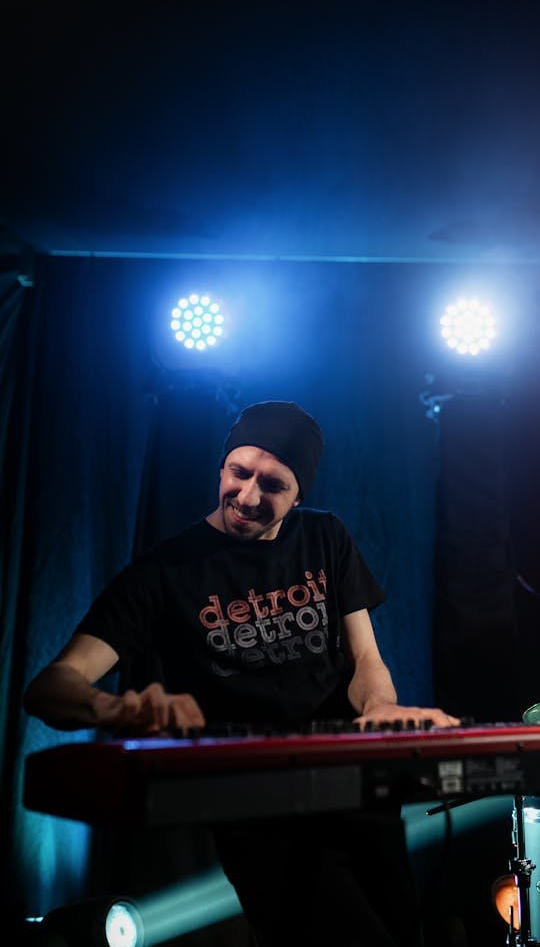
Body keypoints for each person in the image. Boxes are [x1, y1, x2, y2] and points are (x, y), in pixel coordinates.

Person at [24, 400, 459, 947]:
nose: (248, 496)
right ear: (221, 467)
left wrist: (379, 708)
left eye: (273, 484)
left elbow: (366, 660)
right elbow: (49, 688)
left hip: (357, 790)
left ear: (300, 495)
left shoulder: (326, 538)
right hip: (257, 809)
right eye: (239, 472)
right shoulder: (165, 571)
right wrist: (115, 708)